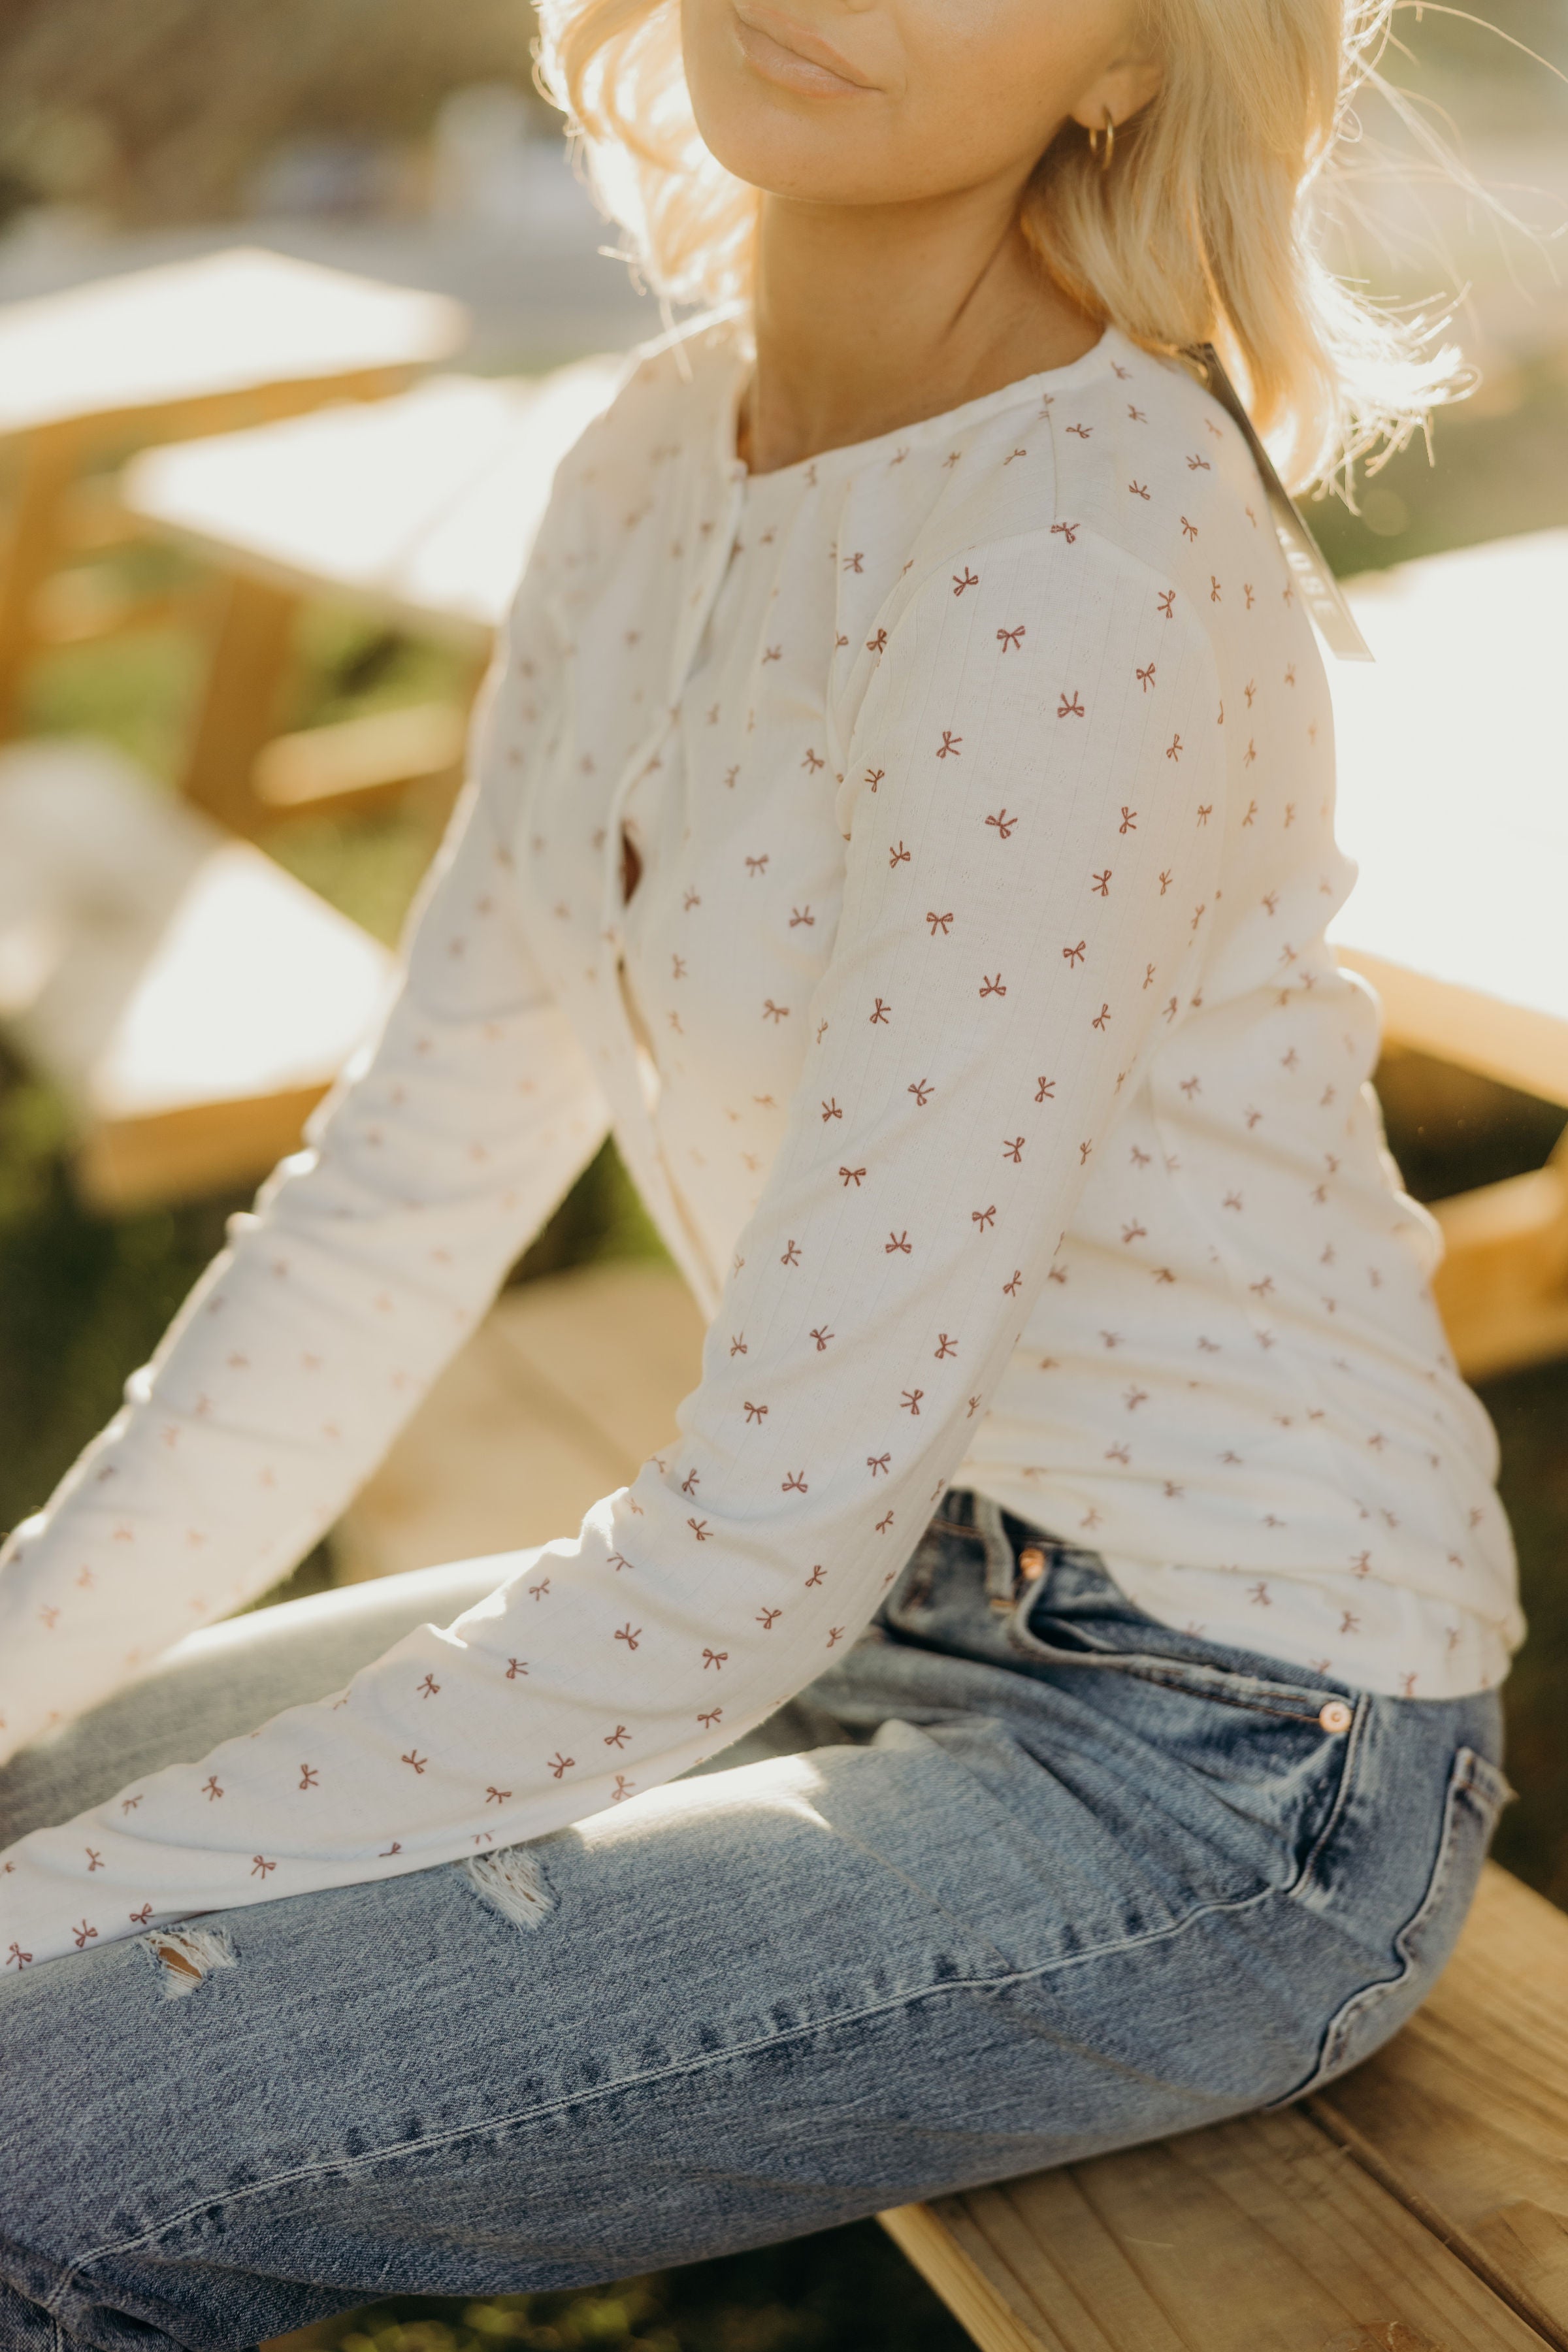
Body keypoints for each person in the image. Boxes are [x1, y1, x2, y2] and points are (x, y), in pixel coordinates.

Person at [0, 0, 1523, 2340]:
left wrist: (57, 1927)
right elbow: (392, 1204)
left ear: (1132, 65)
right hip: (863, 1583)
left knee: (30, 2137)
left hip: (1229, 1756)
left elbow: (764, 1523)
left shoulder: (1070, 568)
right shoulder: (652, 454)